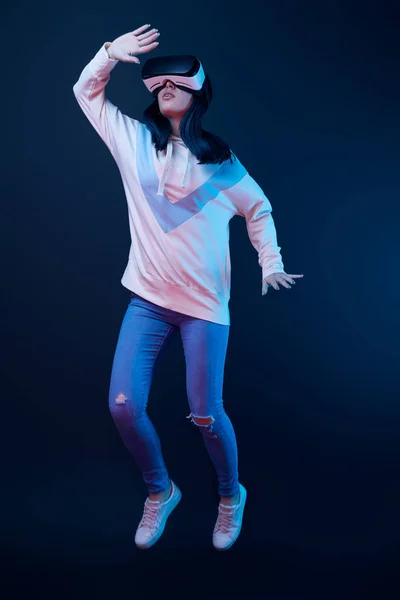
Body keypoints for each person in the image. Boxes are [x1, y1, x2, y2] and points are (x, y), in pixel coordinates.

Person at [72, 23, 304, 552]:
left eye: (177, 81)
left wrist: (270, 261)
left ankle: (229, 495)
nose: (166, 87)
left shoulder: (223, 164)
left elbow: (258, 208)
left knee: (206, 414)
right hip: (148, 300)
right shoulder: (132, 141)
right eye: (158, 83)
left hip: (204, 308)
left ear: (198, 90)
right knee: (124, 405)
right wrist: (109, 53)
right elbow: (87, 90)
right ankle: (161, 490)